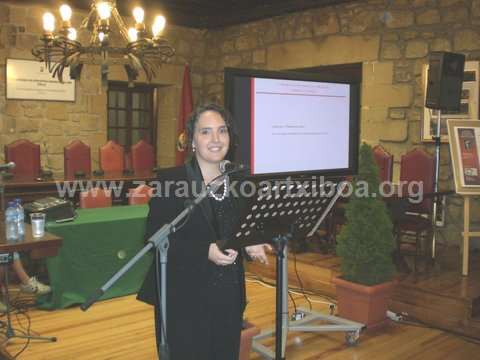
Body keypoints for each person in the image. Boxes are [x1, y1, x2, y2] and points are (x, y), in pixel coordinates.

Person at [137, 103, 270, 360]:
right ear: (193, 140)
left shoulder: (238, 180)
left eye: (222, 131)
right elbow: (154, 238)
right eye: (206, 132)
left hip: (228, 293)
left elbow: (237, 228)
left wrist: (250, 242)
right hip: (185, 296)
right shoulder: (172, 180)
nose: (216, 139)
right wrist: (204, 251)